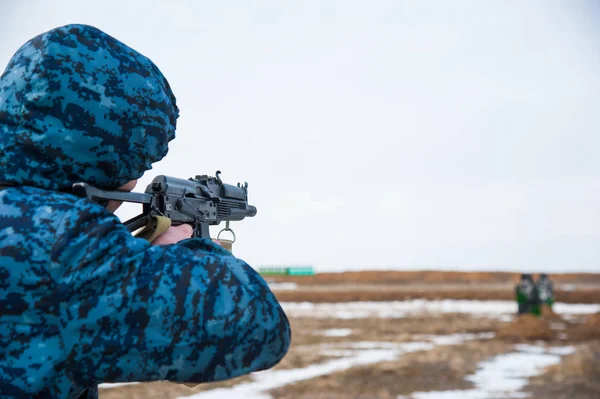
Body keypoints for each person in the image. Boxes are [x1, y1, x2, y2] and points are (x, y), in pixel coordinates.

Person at [0, 24, 290, 398]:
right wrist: (186, 250)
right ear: (102, 156)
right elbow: (259, 327)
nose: (134, 183)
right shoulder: (58, 249)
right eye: (135, 168)